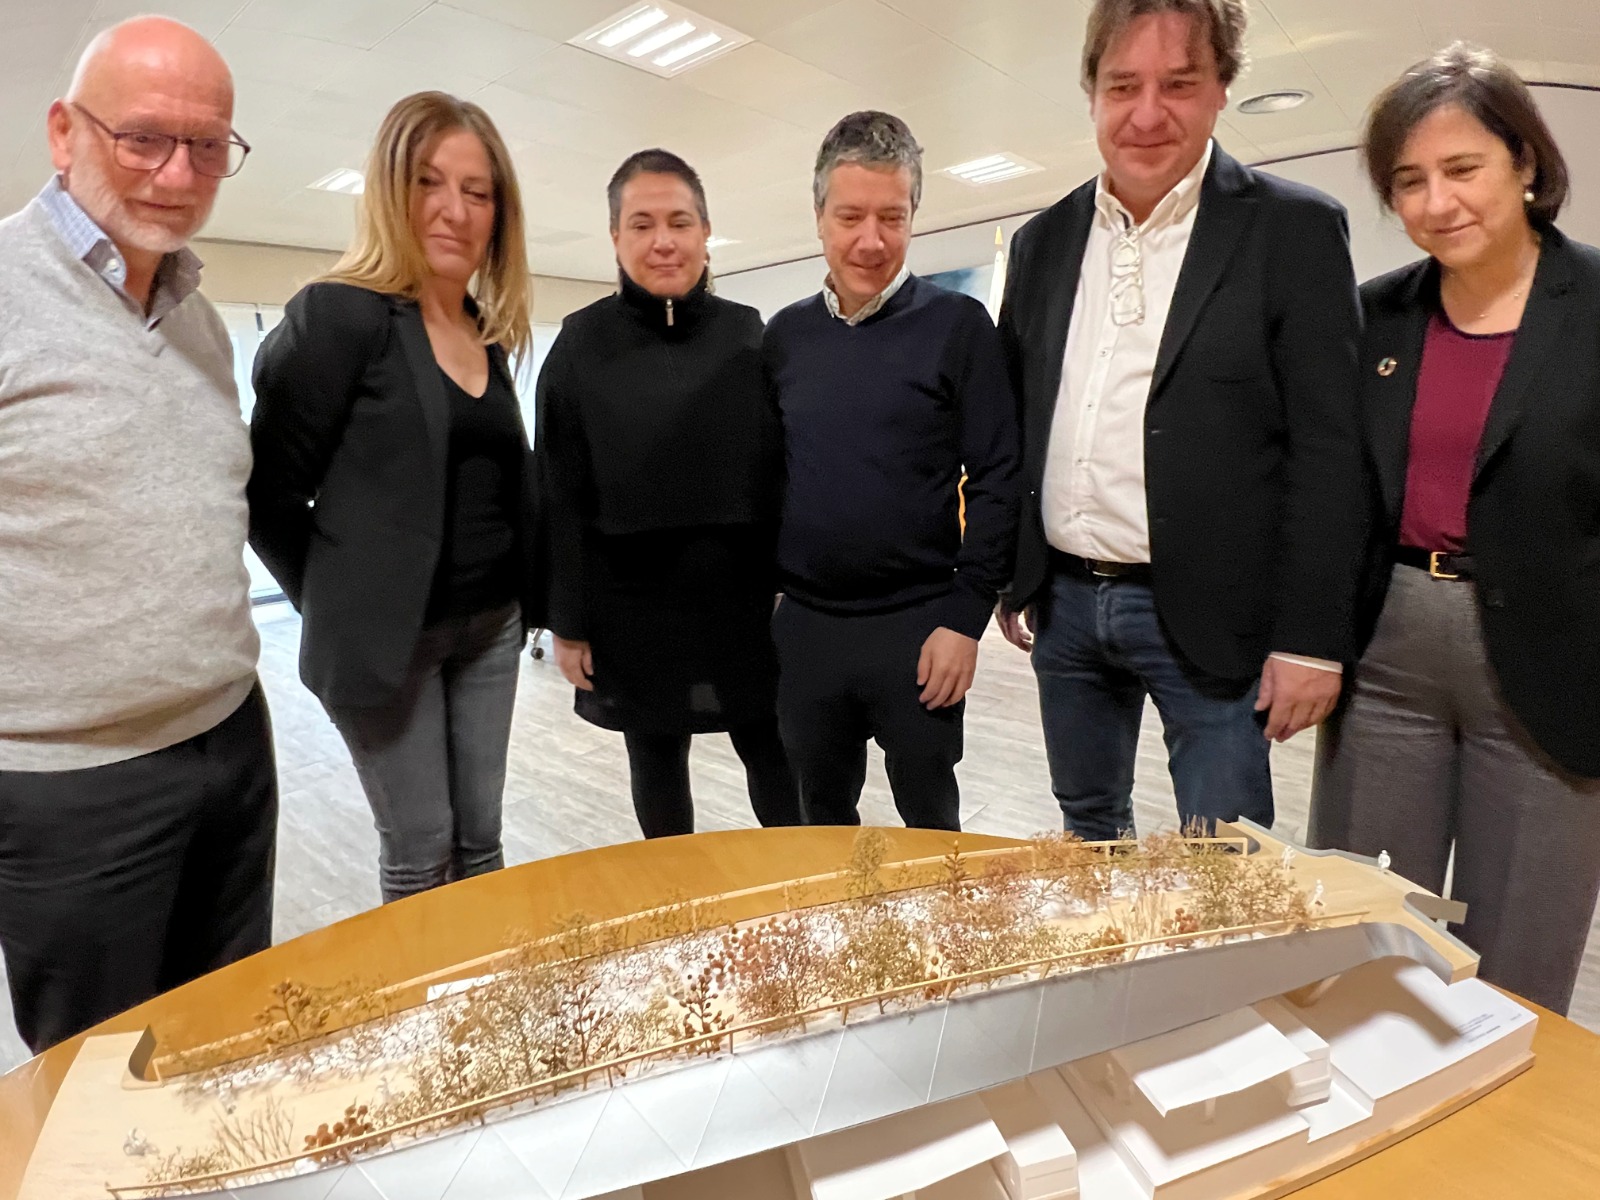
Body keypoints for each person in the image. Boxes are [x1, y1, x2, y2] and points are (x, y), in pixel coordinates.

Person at [995, 0, 1364, 840]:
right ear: (1091, 92)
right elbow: (1021, 418)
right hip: (1063, 599)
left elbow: (1330, 449)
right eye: (1123, 85)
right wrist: (1011, 569)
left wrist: (1311, 640)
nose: (1148, 113)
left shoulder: (1292, 230)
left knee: (1226, 859)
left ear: (1222, 90)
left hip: (1210, 611)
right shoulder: (1043, 242)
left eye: (1180, 84)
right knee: (1088, 830)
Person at [0, 17, 275, 1053]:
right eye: (145, 138)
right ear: (64, 130)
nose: (177, 172)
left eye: (209, 146)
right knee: (100, 1076)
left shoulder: (196, 310)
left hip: (232, 739)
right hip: (72, 787)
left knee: (229, 1038)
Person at [1308, 43, 1600, 1015]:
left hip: (1554, 665)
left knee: (1517, 949)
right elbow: (1335, 500)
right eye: (1409, 181)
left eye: (1462, 168)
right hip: (1388, 657)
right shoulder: (1375, 320)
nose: (1437, 202)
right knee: (1360, 925)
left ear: (1524, 161)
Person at [249, 92, 539, 904]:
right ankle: (427, 1026)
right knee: (420, 849)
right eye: (428, 182)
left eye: (477, 192)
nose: (454, 210)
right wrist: (342, 601)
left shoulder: (484, 324)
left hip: (491, 629)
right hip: (390, 645)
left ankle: (486, 1021)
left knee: (480, 839)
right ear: (389, 189)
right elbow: (267, 492)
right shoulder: (339, 316)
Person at [765, 111, 1021, 832]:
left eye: (892, 217)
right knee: (817, 818)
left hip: (921, 624)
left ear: (914, 217)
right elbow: (765, 477)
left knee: (930, 825)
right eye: (850, 216)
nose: (870, 240)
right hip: (806, 629)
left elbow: (1000, 473)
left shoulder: (960, 328)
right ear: (819, 217)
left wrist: (967, 620)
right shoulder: (783, 339)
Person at [536, 150, 801, 839]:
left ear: (706, 232)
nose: (663, 241)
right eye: (642, 224)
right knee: (656, 766)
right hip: (631, 606)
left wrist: (791, 583)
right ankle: (676, 912)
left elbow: (785, 473)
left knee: (776, 759)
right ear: (616, 239)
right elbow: (559, 492)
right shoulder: (579, 344)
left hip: (745, 601)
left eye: (680, 222)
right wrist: (566, 622)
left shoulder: (750, 334)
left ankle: (808, 894)